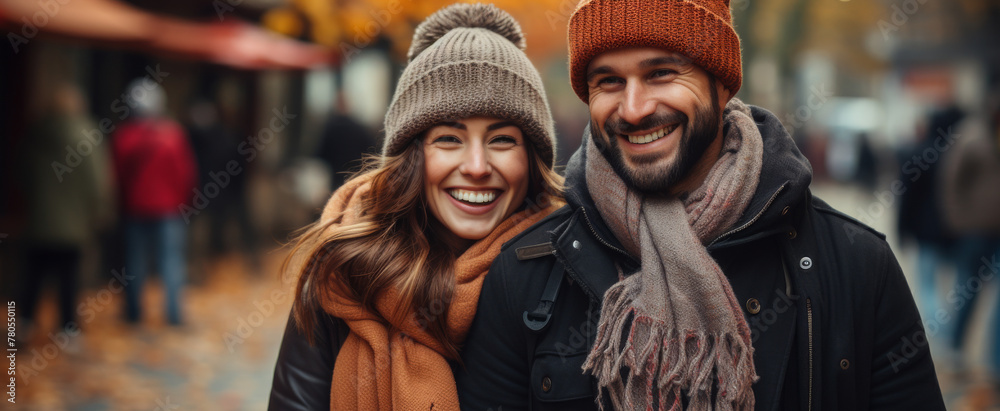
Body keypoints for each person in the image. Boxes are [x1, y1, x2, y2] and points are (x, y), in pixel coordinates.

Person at [454, 0, 945, 410]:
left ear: (723, 82)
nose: (634, 108)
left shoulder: (857, 266)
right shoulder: (526, 274)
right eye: (608, 82)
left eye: (662, 72)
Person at [267, 4, 562, 410]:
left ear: (531, 159)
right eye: (448, 139)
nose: (476, 167)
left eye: (502, 140)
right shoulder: (345, 271)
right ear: (412, 157)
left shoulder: (566, 271)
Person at [20, 83, 114, 338]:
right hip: (73, 223)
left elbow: (22, 175)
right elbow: (98, 182)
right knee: (69, 279)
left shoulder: (36, 132)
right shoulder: (87, 135)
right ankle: (67, 329)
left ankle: (25, 323)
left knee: (33, 276)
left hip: (39, 219)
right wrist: (101, 212)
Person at [112, 78, 197, 325]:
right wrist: (186, 202)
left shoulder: (124, 136)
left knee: (135, 262)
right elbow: (185, 173)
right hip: (169, 209)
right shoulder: (173, 134)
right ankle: (173, 314)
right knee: (170, 261)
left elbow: (117, 175)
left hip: (135, 208)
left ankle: (133, 313)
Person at [940, 107, 1000, 373]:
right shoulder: (973, 134)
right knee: (967, 291)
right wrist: (957, 221)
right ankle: (954, 350)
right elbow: (951, 180)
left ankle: (995, 362)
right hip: (974, 230)